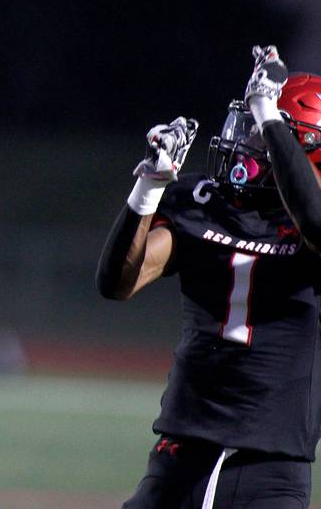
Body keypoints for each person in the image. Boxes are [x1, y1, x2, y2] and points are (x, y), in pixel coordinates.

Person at [96, 46, 321, 509]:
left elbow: (314, 221)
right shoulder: (203, 202)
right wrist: (148, 189)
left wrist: (268, 112)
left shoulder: (310, 226)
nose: (247, 143)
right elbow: (117, 282)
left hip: (270, 467)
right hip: (182, 453)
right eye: (250, 129)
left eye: (261, 135)